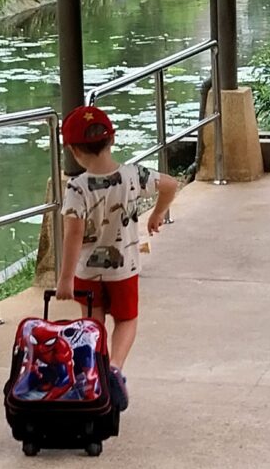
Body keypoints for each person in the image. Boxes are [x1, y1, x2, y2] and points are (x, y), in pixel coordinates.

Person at [54, 104, 180, 393]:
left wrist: (65, 278)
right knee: (126, 320)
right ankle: (115, 368)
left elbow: (73, 235)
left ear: (73, 150)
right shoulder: (133, 175)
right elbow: (171, 184)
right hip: (124, 269)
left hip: (87, 272)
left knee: (92, 321)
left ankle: (93, 373)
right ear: (112, 139)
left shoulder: (76, 188)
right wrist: (157, 213)